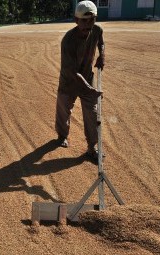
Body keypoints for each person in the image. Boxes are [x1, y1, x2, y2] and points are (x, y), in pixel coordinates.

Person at [55, 0, 105, 163]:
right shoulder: (68, 41)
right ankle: (62, 135)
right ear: (76, 20)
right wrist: (90, 89)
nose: (89, 24)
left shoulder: (96, 30)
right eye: (84, 20)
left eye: (92, 19)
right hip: (69, 82)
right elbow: (72, 71)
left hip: (87, 79)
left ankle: (92, 147)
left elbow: (101, 41)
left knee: (92, 113)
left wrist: (102, 55)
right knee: (64, 111)